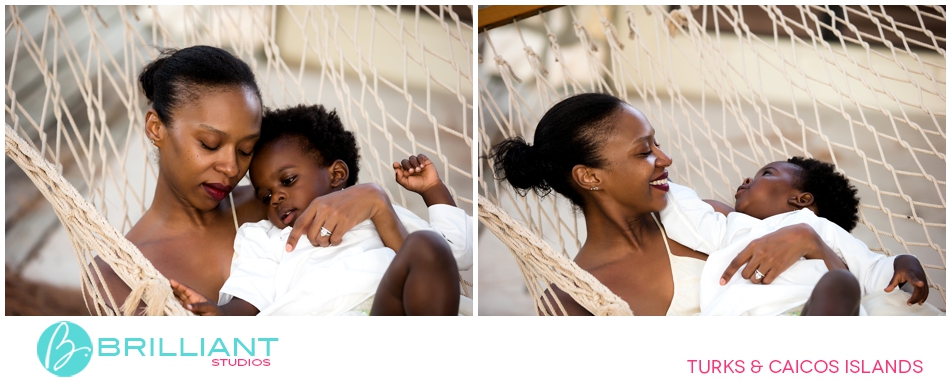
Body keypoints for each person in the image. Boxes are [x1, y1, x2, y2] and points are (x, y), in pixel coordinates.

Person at [85, 46, 422, 315]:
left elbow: (407, 272)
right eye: (210, 144)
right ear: (156, 128)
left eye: (246, 149)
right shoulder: (119, 275)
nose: (231, 167)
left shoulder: (283, 206)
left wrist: (377, 200)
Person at [491, 92, 851, 316]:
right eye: (644, 151)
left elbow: (838, 286)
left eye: (657, 144)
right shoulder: (572, 300)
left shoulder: (709, 219)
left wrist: (811, 240)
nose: (665, 159)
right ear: (589, 176)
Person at [168, 104, 467, 315]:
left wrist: (432, 189)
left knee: (427, 245)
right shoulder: (267, 239)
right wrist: (220, 316)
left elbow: (453, 256)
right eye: (265, 195)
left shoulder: (378, 212)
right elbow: (250, 298)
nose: (276, 198)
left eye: (288, 180)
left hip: (389, 313)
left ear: (337, 175)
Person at [659, 157, 936, 315]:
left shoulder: (822, 230)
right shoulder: (733, 227)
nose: (747, 180)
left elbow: (873, 271)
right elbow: (685, 214)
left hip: (812, 311)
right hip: (747, 317)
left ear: (801, 200)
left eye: (766, 173)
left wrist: (906, 263)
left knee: (842, 283)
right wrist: (658, 176)